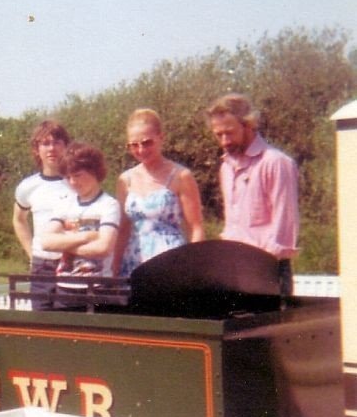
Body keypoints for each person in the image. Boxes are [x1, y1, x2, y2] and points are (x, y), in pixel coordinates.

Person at [206, 93, 299, 295]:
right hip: (234, 269)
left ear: (248, 125)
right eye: (218, 135)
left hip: (268, 269)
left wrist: (260, 268)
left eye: (229, 133)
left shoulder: (275, 162)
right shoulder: (226, 167)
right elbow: (232, 225)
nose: (224, 141)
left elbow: (284, 227)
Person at [113, 108, 204, 276]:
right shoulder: (125, 180)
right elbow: (123, 229)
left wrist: (193, 269)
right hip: (133, 264)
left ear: (161, 137)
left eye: (147, 142)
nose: (141, 150)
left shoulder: (181, 176)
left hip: (171, 264)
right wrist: (114, 267)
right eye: (134, 145)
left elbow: (196, 228)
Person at [41, 142, 121, 302]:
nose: (72, 182)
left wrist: (64, 243)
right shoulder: (64, 204)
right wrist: (86, 237)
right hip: (64, 289)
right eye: (68, 177)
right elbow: (46, 242)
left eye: (77, 175)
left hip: (97, 288)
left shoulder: (109, 205)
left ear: (94, 172)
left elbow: (103, 248)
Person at [12, 119, 71, 308]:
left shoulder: (77, 182)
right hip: (41, 267)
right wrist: (31, 253)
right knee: (41, 319)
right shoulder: (28, 187)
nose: (52, 148)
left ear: (66, 146)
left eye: (57, 142)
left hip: (71, 264)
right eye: (45, 143)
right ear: (37, 149)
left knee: (70, 320)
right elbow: (19, 220)